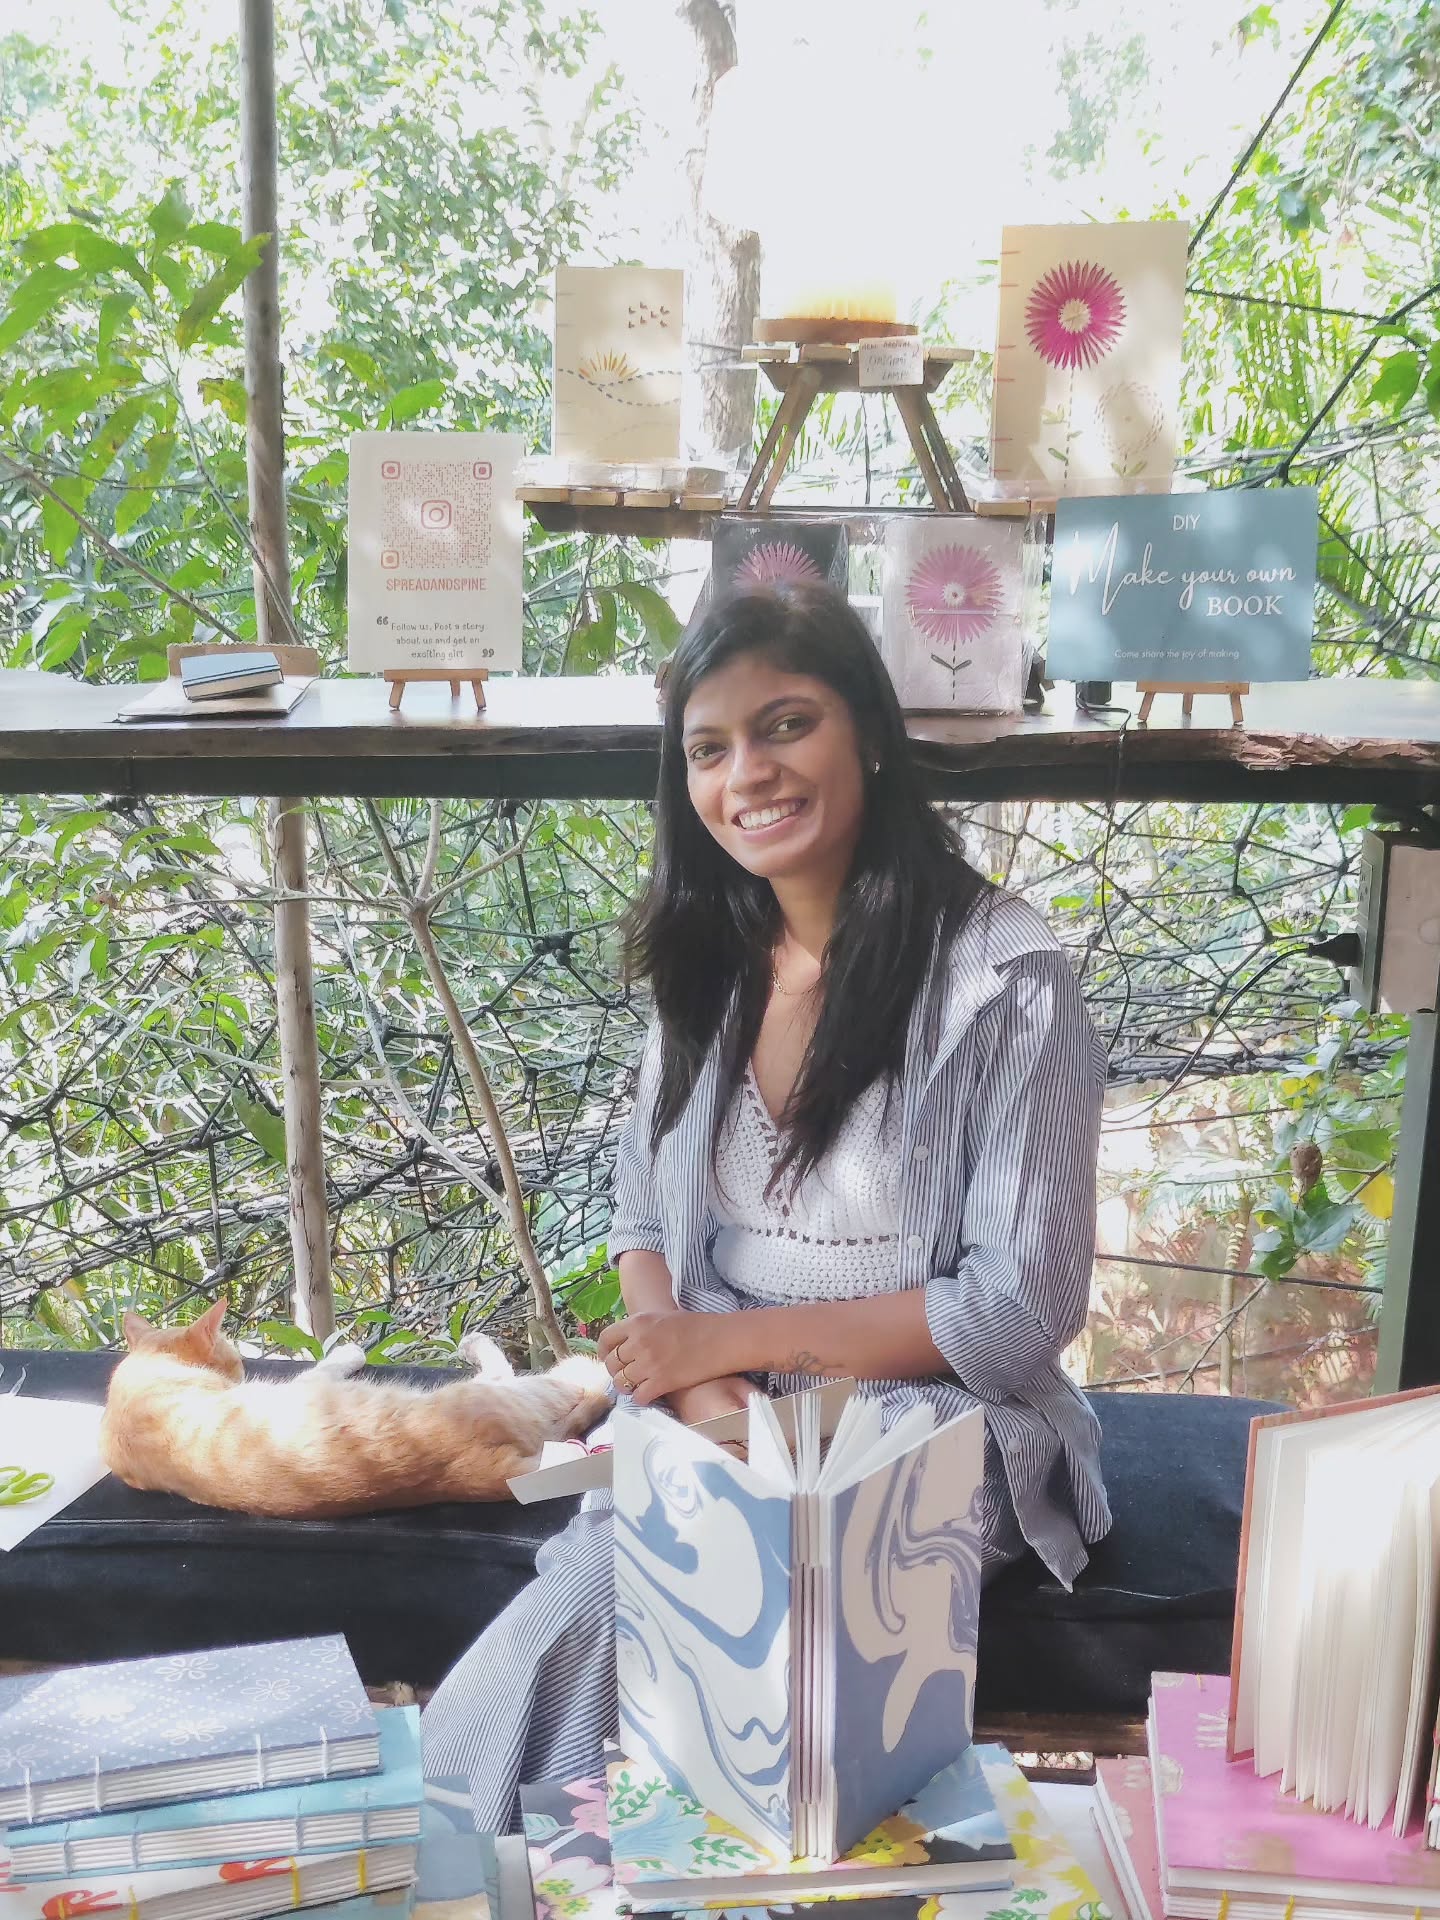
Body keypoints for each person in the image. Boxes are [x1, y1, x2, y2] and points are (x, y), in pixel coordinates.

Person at [421, 582, 1111, 1830]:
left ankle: (546, 1862)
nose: (748, 773)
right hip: (718, 1410)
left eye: (785, 725)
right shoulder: (709, 961)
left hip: (937, 1425)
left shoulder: (1007, 981)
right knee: (590, 1605)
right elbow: (642, 1223)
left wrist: (727, 1347)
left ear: (872, 734)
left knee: (756, 1620)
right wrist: (703, 1394)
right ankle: (501, 1861)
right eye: (708, 747)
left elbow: (1018, 1314)